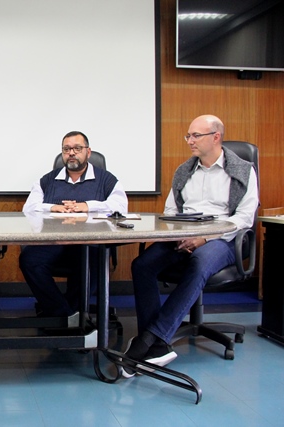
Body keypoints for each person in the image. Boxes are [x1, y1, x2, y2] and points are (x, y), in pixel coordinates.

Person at [124, 115, 259, 376]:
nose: (190, 141)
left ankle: (151, 339)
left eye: (196, 135)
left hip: (223, 239)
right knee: (142, 265)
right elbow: (171, 211)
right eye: (188, 136)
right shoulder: (184, 171)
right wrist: (178, 236)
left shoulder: (243, 170)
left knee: (200, 262)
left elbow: (243, 218)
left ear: (216, 137)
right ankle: (154, 343)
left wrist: (205, 239)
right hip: (184, 236)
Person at [19, 131, 128, 317]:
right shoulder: (47, 181)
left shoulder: (106, 180)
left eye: (77, 148)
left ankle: (66, 314)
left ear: (88, 152)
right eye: (67, 149)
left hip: (90, 244)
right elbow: (28, 208)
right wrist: (53, 208)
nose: (71, 153)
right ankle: (64, 314)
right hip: (54, 243)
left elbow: (121, 207)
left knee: (94, 262)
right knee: (29, 260)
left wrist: (86, 207)